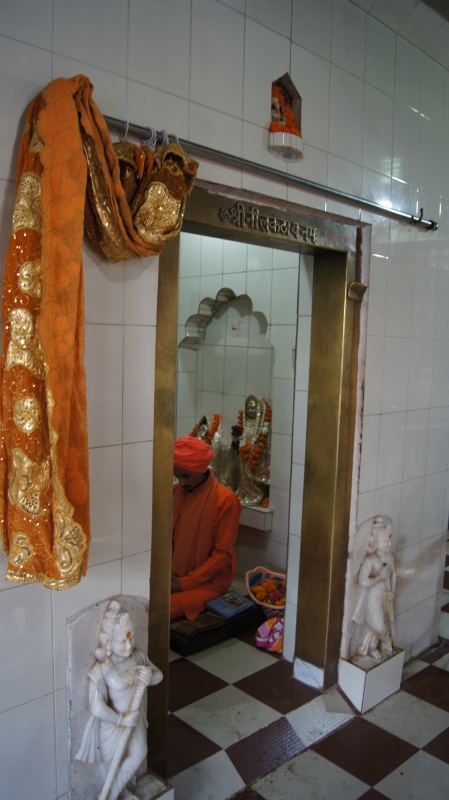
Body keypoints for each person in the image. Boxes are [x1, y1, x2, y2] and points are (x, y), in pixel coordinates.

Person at [76, 600, 163, 800]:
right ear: (108, 642)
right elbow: (97, 707)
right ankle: (118, 794)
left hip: (135, 718)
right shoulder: (102, 669)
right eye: (122, 641)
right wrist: (121, 720)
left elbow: (159, 676)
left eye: (131, 639)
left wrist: (150, 676)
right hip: (113, 724)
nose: (128, 645)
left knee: (140, 752)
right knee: (113, 765)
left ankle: (112, 794)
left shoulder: (138, 658)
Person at [171, 436, 242, 621]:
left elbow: (222, 555)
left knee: (163, 608)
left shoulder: (226, 500)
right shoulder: (176, 492)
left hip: (209, 583)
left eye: (186, 476)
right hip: (173, 576)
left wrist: (184, 583)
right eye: (178, 476)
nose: (182, 482)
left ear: (201, 469)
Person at [351, 515, 396, 661]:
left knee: (378, 623)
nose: (389, 543)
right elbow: (362, 581)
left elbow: (393, 574)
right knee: (379, 626)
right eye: (385, 541)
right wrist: (379, 577)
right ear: (375, 542)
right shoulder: (370, 560)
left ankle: (372, 646)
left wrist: (392, 590)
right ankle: (387, 642)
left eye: (389, 540)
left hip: (384, 597)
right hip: (372, 598)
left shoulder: (388, 558)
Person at [233, 394, 272, 507]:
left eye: (253, 408)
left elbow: (265, 443)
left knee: (252, 474)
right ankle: (243, 492)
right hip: (244, 455)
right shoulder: (245, 422)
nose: (250, 411)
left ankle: (255, 494)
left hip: (257, 457)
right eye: (248, 408)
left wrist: (254, 448)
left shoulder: (262, 425)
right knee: (243, 474)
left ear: (258, 409)